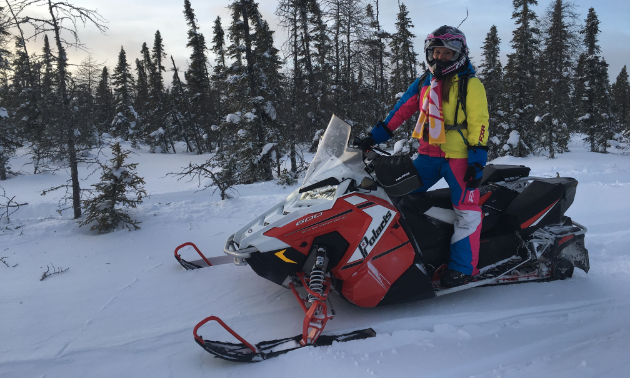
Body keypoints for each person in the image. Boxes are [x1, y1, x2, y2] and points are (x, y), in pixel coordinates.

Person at [360, 25, 489, 288]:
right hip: (428, 156)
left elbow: (480, 122)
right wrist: (373, 138)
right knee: (395, 196)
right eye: (436, 52)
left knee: (467, 212)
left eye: (447, 53)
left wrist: (477, 160)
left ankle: (463, 268)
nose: (440, 58)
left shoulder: (469, 84)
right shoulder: (423, 82)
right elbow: (401, 111)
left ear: (459, 54)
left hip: (460, 158)